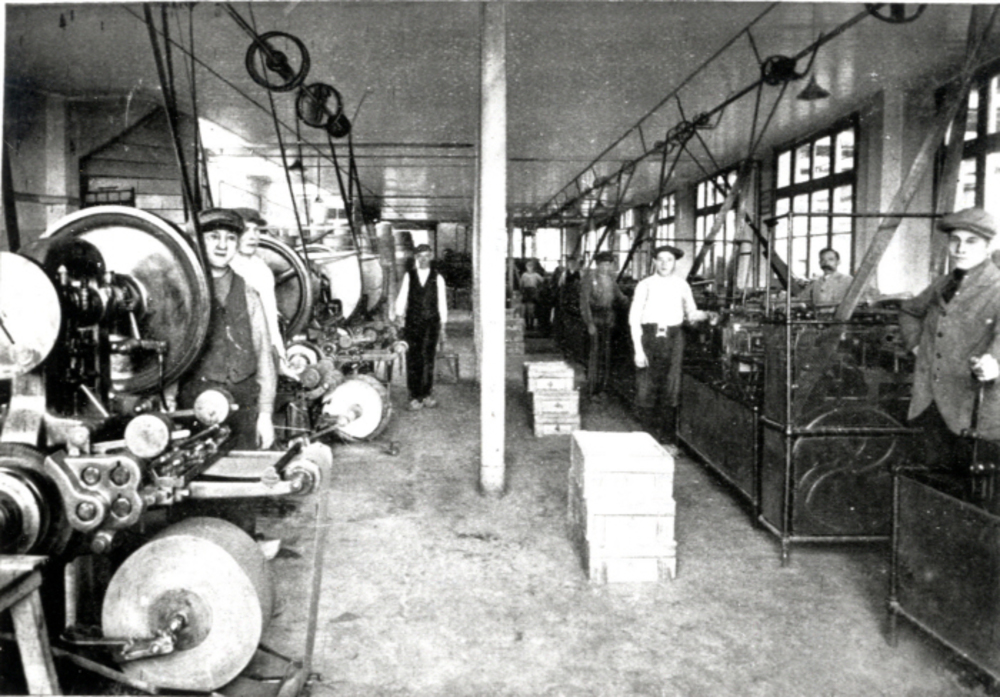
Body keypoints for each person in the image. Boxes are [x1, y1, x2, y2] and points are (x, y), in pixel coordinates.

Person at [899, 207, 1000, 476]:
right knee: (927, 481)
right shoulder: (943, 283)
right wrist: (916, 345)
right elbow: (909, 311)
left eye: (971, 241)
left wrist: (994, 361)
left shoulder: (997, 286)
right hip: (928, 401)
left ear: (988, 246)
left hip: (970, 407)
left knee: (965, 487)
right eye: (955, 240)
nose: (960, 248)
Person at [178, 208, 276, 450]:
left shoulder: (249, 293)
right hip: (194, 405)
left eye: (231, 238)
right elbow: (172, 356)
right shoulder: (184, 292)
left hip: (243, 405)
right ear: (197, 241)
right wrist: (168, 404)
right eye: (213, 237)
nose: (222, 245)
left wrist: (265, 415)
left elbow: (264, 356)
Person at [629, 245, 714, 443]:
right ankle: (646, 438)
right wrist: (638, 350)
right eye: (660, 259)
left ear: (675, 263)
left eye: (669, 260)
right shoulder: (645, 285)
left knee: (671, 386)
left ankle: (667, 439)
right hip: (649, 337)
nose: (664, 264)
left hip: (674, 338)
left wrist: (707, 315)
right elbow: (634, 318)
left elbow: (691, 313)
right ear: (654, 262)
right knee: (646, 386)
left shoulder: (682, 285)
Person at [230, 209, 288, 369]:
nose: (252, 236)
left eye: (256, 230)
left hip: (256, 352)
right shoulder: (224, 267)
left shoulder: (261, 269)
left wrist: (281, 357)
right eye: (245, 230)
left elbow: (270, 318)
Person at [395, 243, 449, 410]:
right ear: (416, 258)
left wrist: (443, 326)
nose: (423, 259)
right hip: (412, 322)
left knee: (428, 358)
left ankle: (426, 395)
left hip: (432, 323)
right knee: (413, 358)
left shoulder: (438, 278)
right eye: (420, 256)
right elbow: (402, 296)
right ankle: (414, 396)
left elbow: (442, 302)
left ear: (431, 256)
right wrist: (399, 315)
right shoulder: (409, 276)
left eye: (426, 256)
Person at [580, 251, 627, 399]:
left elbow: (620, 297)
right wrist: (589, 323)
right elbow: (584, 303)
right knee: (595, 355)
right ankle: (592, 390)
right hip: (595, 319)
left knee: (605, 355)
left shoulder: (611, 280)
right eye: (603, 264)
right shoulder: (589, 279)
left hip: (608, 319)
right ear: (597, 265)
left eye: (608, 264)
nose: (606, 267)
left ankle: (603, 388)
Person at [796, 247, 875, 308]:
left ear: (838, 262)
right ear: (819, 263)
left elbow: (872, 295)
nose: (826, 263)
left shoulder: (848, 280)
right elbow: (801, 299)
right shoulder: (815, 283)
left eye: (831, 259)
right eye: (822, 260)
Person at [520, 259, 545, 330]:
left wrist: (538, 289)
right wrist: (522, 292)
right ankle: (527, 325)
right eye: (528, 266)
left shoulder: (536, 275)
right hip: (526, 293)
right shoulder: (524, 275)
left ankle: (531, 325)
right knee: (526, 311)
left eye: (531, 266)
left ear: (533, 267)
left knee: (532, 310)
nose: (529, 268)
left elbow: (543, 281)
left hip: (533, 293)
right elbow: (521, 284)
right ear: (526, 267)